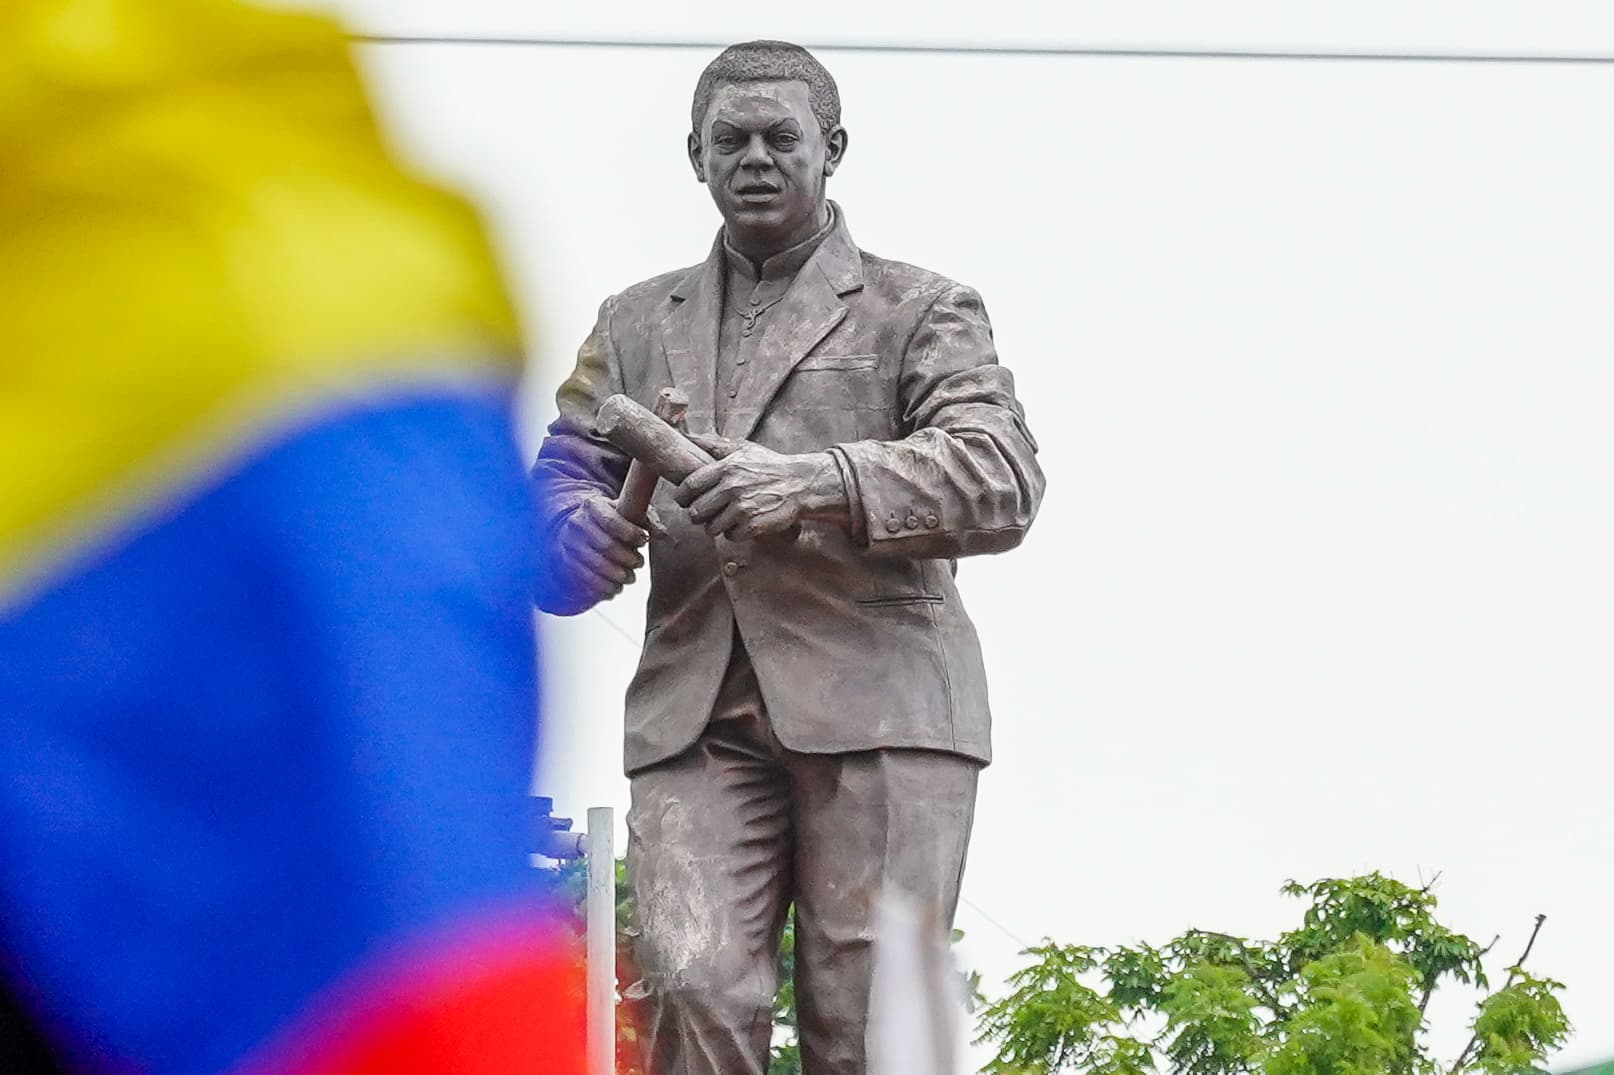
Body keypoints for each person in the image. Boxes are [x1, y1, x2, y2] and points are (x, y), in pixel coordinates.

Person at [531, 39, 1044, 1075]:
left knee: (872, 1022)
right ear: (695, 156)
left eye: (781, 137)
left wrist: (814, 481)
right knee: (691, 992)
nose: (755, 157)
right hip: (694, 714)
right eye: (731, 140)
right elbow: (558, 479)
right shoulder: (633, 323)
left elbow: (1000, 474)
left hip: (886, 709)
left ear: (832, 148)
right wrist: (569, 528)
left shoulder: (922, 308)